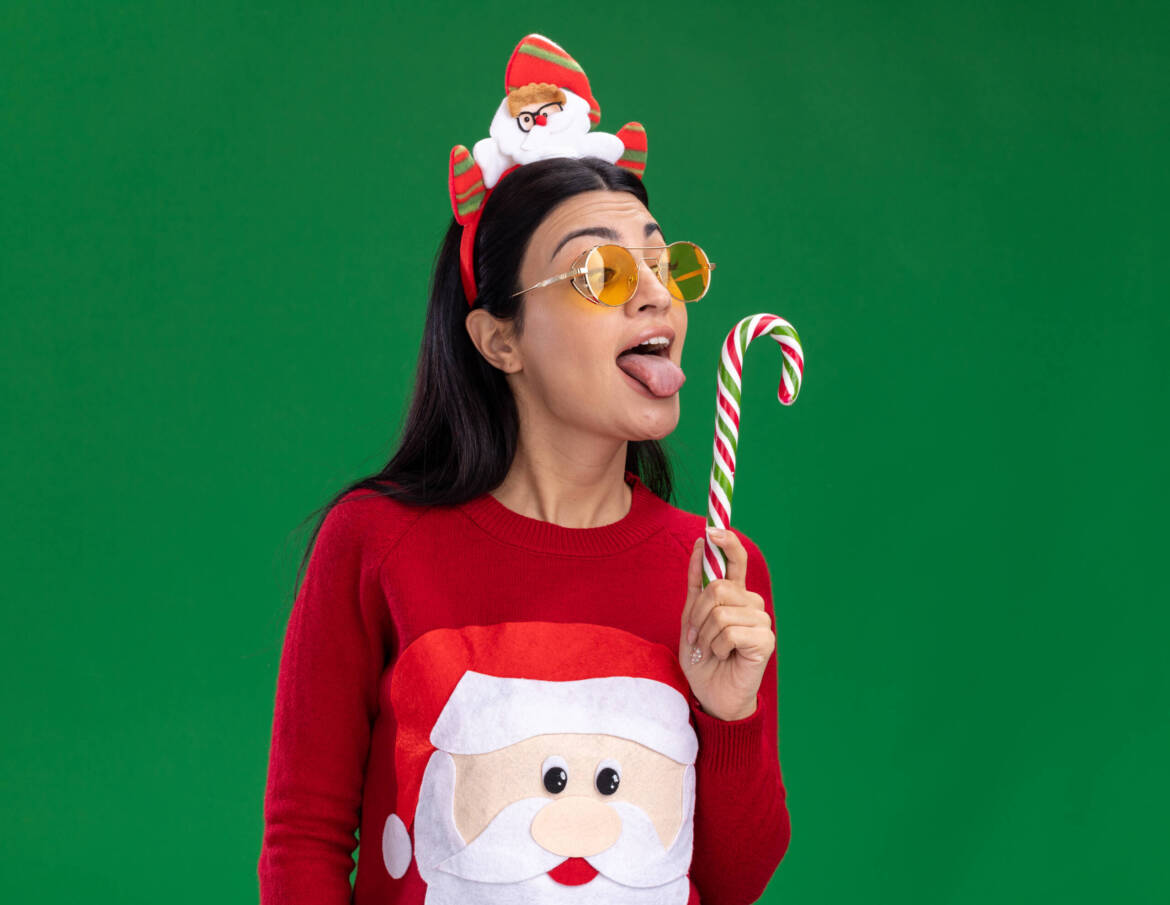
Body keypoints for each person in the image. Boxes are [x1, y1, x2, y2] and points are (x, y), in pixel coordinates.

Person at [259, 35, 790, 905]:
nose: (656, 294)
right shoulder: (376, 543)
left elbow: (729, 881)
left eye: (662, 264)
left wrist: (728, 713)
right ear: (499, 336)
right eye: (603, 271)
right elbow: (306, 839)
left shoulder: (719, 571)